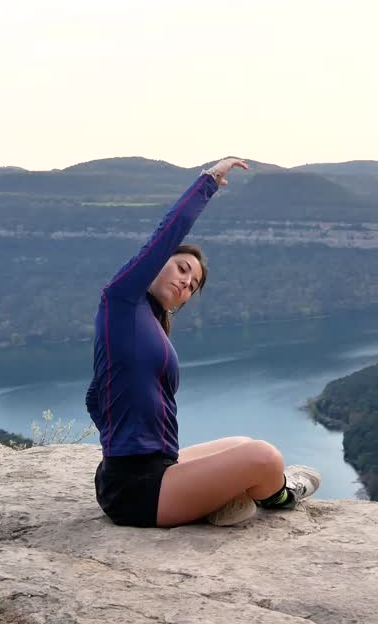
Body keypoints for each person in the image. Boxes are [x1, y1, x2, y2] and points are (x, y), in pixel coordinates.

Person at [86, 157, 321, 528]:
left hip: (159, 468)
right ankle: (281, 494)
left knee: (241, 443)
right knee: (265, 457)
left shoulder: (148, 324)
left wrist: (119, 433)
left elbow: (95, 394)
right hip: (136, 489)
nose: (185, 282)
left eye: (192, 285)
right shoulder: (121, 299)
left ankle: (218, 500)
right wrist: (208, 181)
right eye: (181, 268)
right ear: (157, 263)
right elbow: (166, 233)